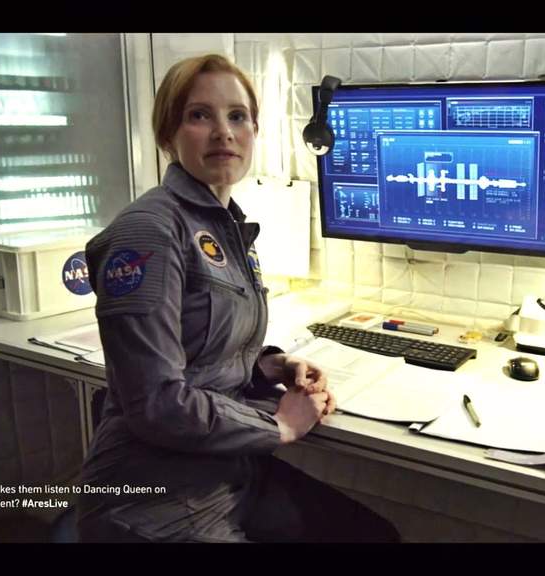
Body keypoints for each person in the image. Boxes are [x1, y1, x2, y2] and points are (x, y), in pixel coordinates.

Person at [76, 54, 399, 543]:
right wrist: (279, 427)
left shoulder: (220, 224)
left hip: (226, 476)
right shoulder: (149, 232)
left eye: (237, 116)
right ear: (168, 134)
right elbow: (156, 403)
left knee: (372, 536)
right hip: (155, 505)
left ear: (253, 131)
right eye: (199, 115)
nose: (223, 133)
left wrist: (271, 366)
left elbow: (200, 350)